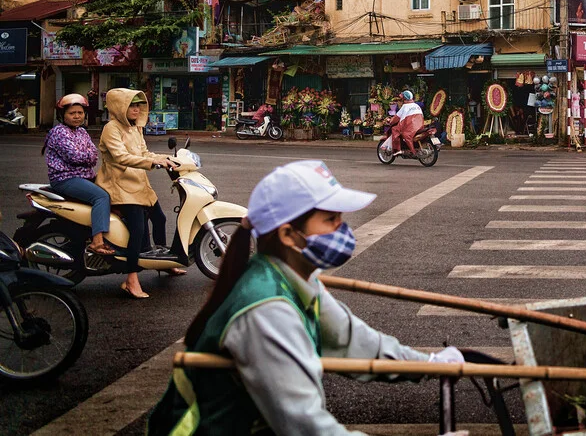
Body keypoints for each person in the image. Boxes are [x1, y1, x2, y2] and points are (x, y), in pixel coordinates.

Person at [147, 160, 462, 435]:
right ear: (287, 235)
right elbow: (307, 426)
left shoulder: (291, 275)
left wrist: (430, 364)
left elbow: (354, 339)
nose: (343, 229)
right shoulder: (267, 311)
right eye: (330, 220)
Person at [97, 89, 178, 299]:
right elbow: (121, 157)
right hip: (120, 186)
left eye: (138, 105)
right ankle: (130, 279)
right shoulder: (111, 128)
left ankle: (164, 263)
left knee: (160, 219)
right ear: (119, 106)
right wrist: (152, 162)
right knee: (138, 231)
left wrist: (166, 158)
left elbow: (144, 153)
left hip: (138, 183)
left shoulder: (135, 129)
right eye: (132, 105)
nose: (136, 109)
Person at [43, 94, 113, 256]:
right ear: (62, 115)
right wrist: (86, 156)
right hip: (65, 179)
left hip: (83, 176)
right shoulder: (59, 132)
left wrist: (86, 156)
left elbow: (94, 155)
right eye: (72, 113)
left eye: (80, 113)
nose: (76, 116)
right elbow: (75, 156)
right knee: (101, 197)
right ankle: (97, 241)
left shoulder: (82, 132)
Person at [386, 90, 423, 157]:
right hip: (420, 125)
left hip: (411, 126)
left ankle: (410, 151)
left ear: (404, 98)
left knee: (396, 130)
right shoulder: (416, 105)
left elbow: (396, 117)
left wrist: (390, 121)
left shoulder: (405, 106)